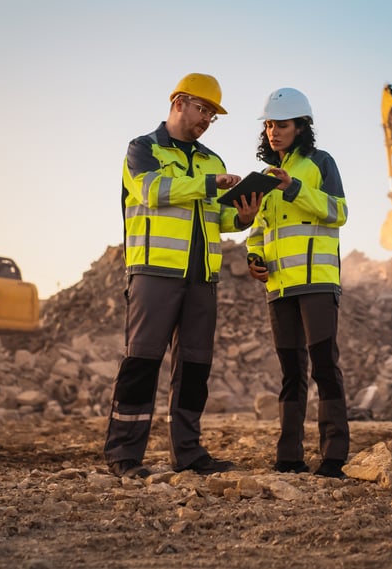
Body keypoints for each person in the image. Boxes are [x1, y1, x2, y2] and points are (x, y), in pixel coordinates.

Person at [105, 73, 261, 478]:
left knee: (194, 368)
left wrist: (241, 217)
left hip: (202, 277)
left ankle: (188, 454)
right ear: (179, 103)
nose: (207, 118)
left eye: (212, 113)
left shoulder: (213, 160)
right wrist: (209, 184)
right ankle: (124, 456)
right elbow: (152, 191)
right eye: (203, 109)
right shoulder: (143, 149)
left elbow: (220, 215)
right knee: (142, 362)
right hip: (154, 272)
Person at [245, 87, 350, 479]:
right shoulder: (264, 177)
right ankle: (289, 457)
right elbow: (258, 230)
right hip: (279, 288)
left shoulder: (320, 163)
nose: (273, 131)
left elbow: (339, 211)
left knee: (324, 367)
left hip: (317, 284)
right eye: (269, 125)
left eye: (282, 124)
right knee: (291, 372)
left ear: (301, 127)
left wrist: (294, 188)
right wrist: (253, 256)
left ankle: (333, 456)